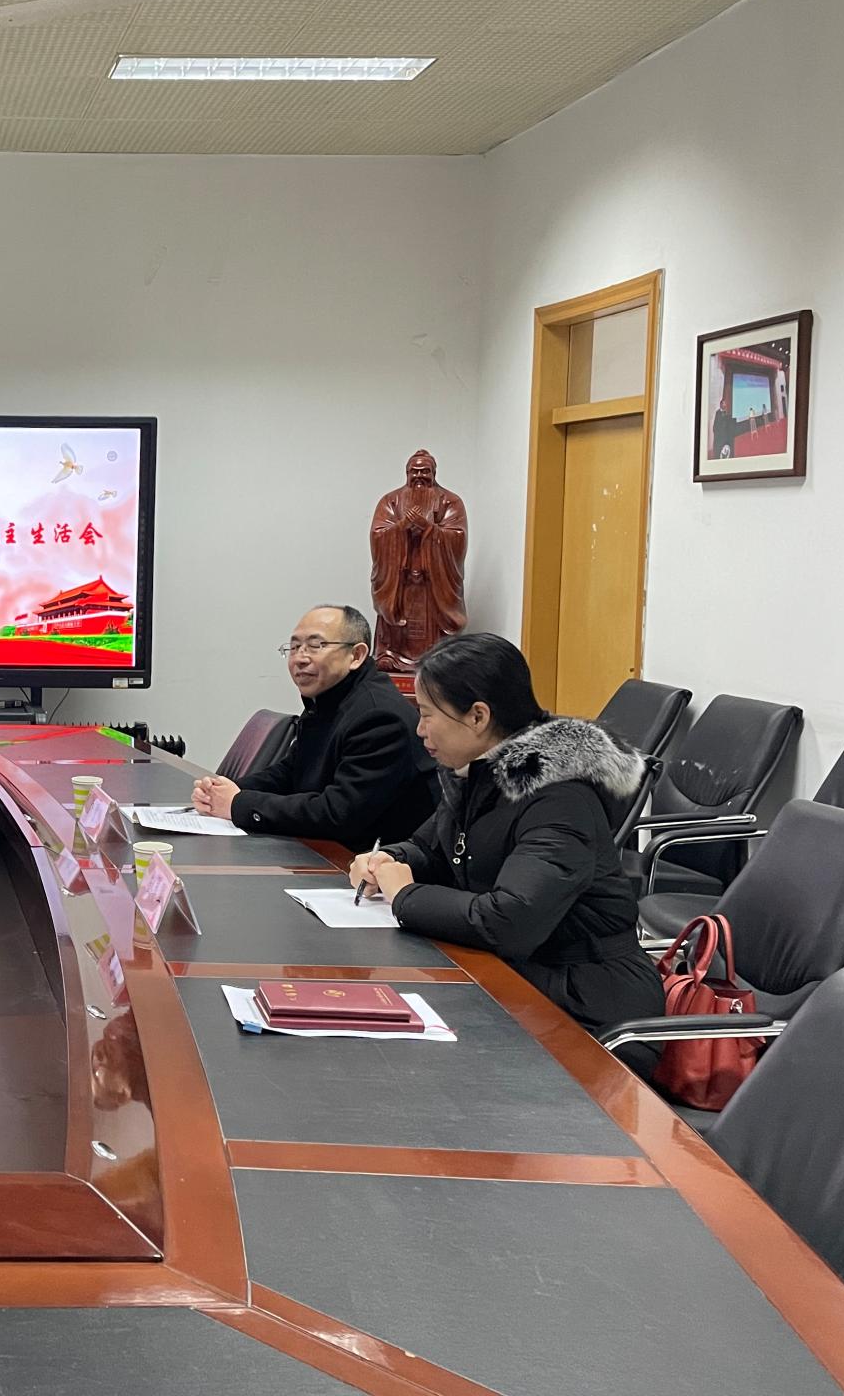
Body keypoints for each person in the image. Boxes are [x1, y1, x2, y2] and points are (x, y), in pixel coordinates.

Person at [350, 632, 663, 1067]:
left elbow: (510, 920)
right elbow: (432, 848)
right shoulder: (478, 772)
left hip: (587, 1006)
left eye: (426, 714)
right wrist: (388, 860)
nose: (419, 729)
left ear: (478, 716)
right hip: (517, 976)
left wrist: (405, 895)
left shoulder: (559, 797)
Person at [192, 605, 438, 850]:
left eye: (315, 646)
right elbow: (292, 772)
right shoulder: (329, 698)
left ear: (356, 655)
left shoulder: (378, 717)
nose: (300, 658)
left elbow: (338, 814)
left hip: (371, 862)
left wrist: (239, 804)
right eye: (295, 647)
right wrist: (226, 791)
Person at [369, 449, 468, 673]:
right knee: (396, 628)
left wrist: (429, 529)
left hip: (433, 583)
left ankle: (436, 659)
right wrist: (402, 527)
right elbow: (378, 535)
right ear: (407, 473)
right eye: (415, 471)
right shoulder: (391, 501)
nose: (419, 476)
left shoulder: (450, 501)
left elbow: (457, 537)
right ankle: (392, 654)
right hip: (400, 583)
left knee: (436, 649)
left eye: (425, 471)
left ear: (434, 473)